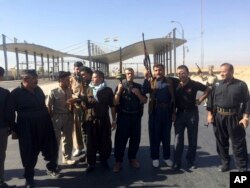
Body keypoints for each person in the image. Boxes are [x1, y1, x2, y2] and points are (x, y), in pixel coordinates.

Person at [5, 70, 61, 188]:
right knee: (29, 153)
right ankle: (29, 178)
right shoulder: (15, 93)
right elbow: (9, 114)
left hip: (45, 125)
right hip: (27, 128)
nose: (37, 81)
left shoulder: (38, 89)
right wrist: (17, 129)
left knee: (50, 148)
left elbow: (43, 105)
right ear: (25, 80)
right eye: (34, 79)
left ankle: (52, 169)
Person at [207, 63, 249, 172]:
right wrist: (210, 114)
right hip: (219, 117)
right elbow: (211, 101)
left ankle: (242, 168)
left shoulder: (241, 85)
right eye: (220, 71)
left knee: (238, 144)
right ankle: (225, 164)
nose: (221, 73)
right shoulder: (217, 84)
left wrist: (245, 117)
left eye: (224, 71)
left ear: (231, 72)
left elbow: (247, 102)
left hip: (235, 117)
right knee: (221, 142)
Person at [172, 65, 210, 170]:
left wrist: (201, 99)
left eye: (183, 73)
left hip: (192, 114)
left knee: (192, 139)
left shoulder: (194, 84)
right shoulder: (175, 84)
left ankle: (190, 161)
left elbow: (208, 89)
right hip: (179, 114)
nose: (181, 75)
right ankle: (177, 162)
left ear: (188, 73)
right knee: (178, 139)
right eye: (179, 73)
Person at [113, 68, 147, 172]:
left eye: (131, 73)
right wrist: (119, 91)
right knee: (120, 140)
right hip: (123, 117)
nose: (129, 75)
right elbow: (115, 103)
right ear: (125, 75)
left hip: (135, 116)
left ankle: (132, 158)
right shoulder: (120, 86)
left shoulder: (139, 86)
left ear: (134, 75)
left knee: (135, 139)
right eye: (127, 73)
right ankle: (118, 161)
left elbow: (144, 100)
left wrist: (138, 94)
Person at [142, 64, 175, 168]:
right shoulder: (151, 81)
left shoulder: (170, 81)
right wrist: (146, 78)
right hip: (155, 112)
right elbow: (144, 91)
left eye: (160, 70)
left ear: (164, 70)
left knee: (166, 136)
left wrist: (174, 112)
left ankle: (166, 157)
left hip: (167, 112)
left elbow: (175, 96)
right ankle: (155, 157)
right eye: (155, 70)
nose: (158, 72)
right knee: (154, 136)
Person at [84, 70, 116, 174]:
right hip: (91, 121)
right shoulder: (87, 89)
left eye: (96, 77)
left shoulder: (108, 90)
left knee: (105, 141)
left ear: (101, 78)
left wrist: (114, 120)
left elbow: (112, 106)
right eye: (93, 77)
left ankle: (104, 160)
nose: (94, 79)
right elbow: (83, 105)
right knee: (90, 143)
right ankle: (91, 163)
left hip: (103, 120)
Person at [47, 71, 76, 165]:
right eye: (67, 80)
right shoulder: (53, 91)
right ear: (61, 80)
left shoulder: (69, 90)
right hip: (57, 117)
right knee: (56, 141)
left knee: (68, 139)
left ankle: (67, 158)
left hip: (68, 116)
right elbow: (48, 106)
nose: (69, 81)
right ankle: (54, 162)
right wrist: (51, 118)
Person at [0, 67, 16, 188]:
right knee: (0, 155)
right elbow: (9, 113)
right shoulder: (5, 93)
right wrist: (12, 127)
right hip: (2, 129)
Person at [70, 61, 85, 157]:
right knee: (76, 128)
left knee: (88, 126)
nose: (78, 71)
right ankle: (78, 147)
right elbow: (67, 91)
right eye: (76, 69)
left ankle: (91, 146)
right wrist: (75, 97)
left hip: (86, 106)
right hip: (76, 106)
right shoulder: (70, 79)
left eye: (79, 69)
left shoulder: (86, 77)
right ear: (74, 69)